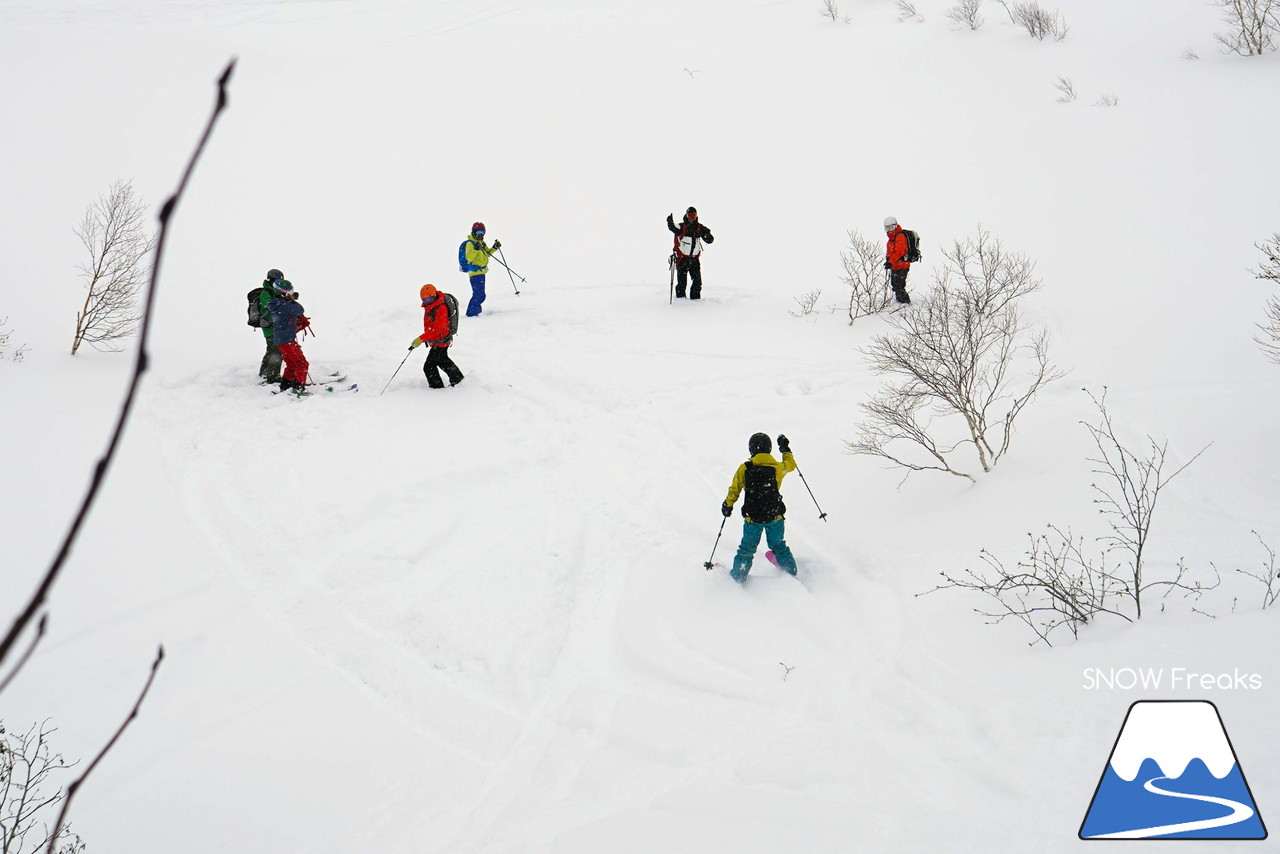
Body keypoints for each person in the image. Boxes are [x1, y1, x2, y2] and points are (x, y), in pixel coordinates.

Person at [721, 432, 799, 582]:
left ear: (751, 449)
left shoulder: (745, 468)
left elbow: (734, 489)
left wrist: (728, 505)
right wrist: (785, 449)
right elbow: (791, 465)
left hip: (753, 519)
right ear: (769, 448)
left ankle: (738, 575)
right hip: (775, 516)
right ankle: (791, 572)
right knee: (778, 545)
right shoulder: (777, 467)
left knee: (747, 548)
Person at [409, 284, 464, 389]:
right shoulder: (430, 306)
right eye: (424, 299)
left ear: (434, 296)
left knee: (429, 366)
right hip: (436, 341)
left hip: (441, 341)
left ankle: (437, 389)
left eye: (429, 299)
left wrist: (421, 339)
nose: (426, 301)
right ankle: (458, 380)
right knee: (443, 361)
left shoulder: (441, 308)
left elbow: (438, 330)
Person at [267, 277, 310, 394]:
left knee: (291, 364)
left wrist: (289, 300)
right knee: (302, 363)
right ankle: (298, 389)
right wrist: (291, 300)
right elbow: (300, 309)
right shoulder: (283, 305)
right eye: (290, 292)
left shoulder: (277, 303)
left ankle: (285, 387)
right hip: (286, 340)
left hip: (282, 339)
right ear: (283, 293)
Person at [666, 206, 714, 299]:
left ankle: (695, 300)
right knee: (682, 283)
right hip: (682, 259)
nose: (692, 217)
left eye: (694, 215)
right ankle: (681, 300)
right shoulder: (681, 227)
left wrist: (707, 235)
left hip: (694, 259)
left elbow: (710, 239)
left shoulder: (699, 228)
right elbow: (673, 228)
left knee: (697, 282)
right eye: (690, 215)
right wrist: (670, 223)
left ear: (696, 216)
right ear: (686, 216)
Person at [458, 221, 501, 317]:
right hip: (475, 273)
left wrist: (494, 248)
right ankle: (471, 314)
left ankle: (475, 312)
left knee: (480, 294)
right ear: (473, 232)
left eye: (482, 232)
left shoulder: (481, 243)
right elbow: (469, 258)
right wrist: (476, 249)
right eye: (478, 233)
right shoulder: (470, 243)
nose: (480, 235)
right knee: (479, 295)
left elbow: (487, 254)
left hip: (481, 272)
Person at [255, 268, 284, 384]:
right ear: (271, 280)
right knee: (277, 352)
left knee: (271, 350)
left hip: (275, 326)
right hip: (270, 327)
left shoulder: (276, 292)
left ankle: (265, 372)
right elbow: (271, 308)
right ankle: (273, 377)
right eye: (276, 280)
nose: (278, 282)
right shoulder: (265, 293)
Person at [884, 215, 912, 305]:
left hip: (902, 265)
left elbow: (900, 252)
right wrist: (888, 261)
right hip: (895, 265)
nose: (889, 230)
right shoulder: (892, 238)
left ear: (895, 226)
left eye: (891, 227)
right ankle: (899, 301)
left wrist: (890, 262)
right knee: (895, 284)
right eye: (887, 228)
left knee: (899, 286)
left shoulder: (899, 236)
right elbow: (891, 252)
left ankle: (905, 303)